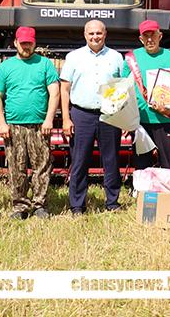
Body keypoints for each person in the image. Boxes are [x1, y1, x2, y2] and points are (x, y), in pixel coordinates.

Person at [0, 26, 60, 219]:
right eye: (23, 43)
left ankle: (39, 205)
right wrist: (2, 123)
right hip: (14, 126)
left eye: (29, 43)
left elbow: (54, 92)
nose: (26, 46)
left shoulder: (45, 64)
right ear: (15, 44)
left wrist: (49, 119)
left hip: (39, 125)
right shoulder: (6, 67)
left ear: (35, 43)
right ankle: (20, 206)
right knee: (16, 167)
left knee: (42, 166)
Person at [60, 20, 125, 214]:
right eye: (91, 34)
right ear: (85, 34)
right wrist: (66, 118)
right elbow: (64, 88)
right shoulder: (73, 57)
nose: (95, 37)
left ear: (105, 34)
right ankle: (77, 205)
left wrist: (124, 118)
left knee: (111, 160)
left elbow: (122, 87)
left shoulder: (116, 57)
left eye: (98, 33)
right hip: (81, 114)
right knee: (79, 161)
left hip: (109, 114)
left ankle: (112, 202)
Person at [121, 20, 170, 170]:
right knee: (142, 166)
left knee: (168, 165)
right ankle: (143, 193)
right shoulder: (131, 58)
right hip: (140, 120)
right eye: (145, 36)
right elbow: (123, 89)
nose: (149, 39)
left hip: (164, 118)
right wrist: (125, 119)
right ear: (140, 39)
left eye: (153, 35)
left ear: (160, 36)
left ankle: (166, 193)